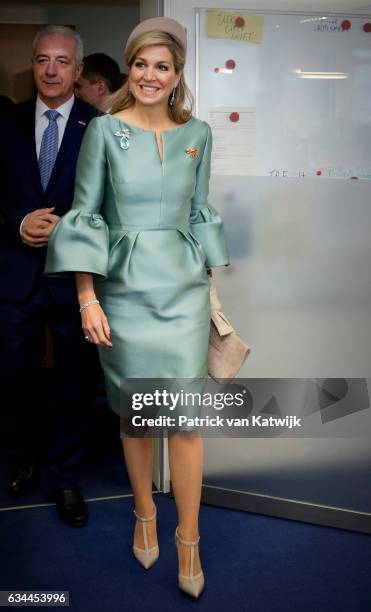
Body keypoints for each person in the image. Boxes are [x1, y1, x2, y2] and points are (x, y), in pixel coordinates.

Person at [45, 17, 229, 596]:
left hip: (183, 291)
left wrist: (211, 287)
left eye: (163, 67)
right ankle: (145, 512)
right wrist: (86, 298)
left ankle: (189, 538)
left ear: (177, 77)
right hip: (121, 292)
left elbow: (200, 211)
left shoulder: (198, 131)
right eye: (143, 65)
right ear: (132, 70)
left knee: (185, 421)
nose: (151, 76)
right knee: (137, 414)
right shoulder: (102, 130)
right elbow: (85, 216)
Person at [0, 25, 101, 527]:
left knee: (73, 385)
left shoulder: (100, 127)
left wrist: (71, 228)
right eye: (43, 60)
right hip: (13, 277)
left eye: (63, 61)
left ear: (78, 70)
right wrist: (18, 221)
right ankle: (25, 459)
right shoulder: (5, 123)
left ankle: (65, 479)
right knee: (14, 380)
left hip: (73, 280)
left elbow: (112, 206)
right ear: (33, 65)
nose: (51, 70)